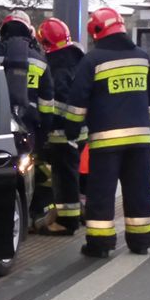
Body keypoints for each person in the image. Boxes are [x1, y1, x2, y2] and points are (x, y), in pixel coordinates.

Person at [61, 7, 150, 258]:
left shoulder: (92, 60)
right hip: (140, 141)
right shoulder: (142, 57)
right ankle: (141, 241)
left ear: (96, 30)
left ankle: (101, 244)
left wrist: (72, 130)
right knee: (139, 192)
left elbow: (77, 102)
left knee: (101, 195)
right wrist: (142, 123)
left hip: (106, 141)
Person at [0, 10, 54, 220]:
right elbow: (47, 104)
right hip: (28, 128)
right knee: (27, 170)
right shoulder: (40, 61)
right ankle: (29, 213)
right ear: (30, 32)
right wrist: (44, 134)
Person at [34, 17, 85, 235]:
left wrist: (43, 122)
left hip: (62, 133)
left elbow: (58, 103)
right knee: (68, 175)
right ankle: (72, 215)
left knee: (65, 179)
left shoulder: (57, 66)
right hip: (79, 131)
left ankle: (67, 223)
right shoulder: (77, 59)